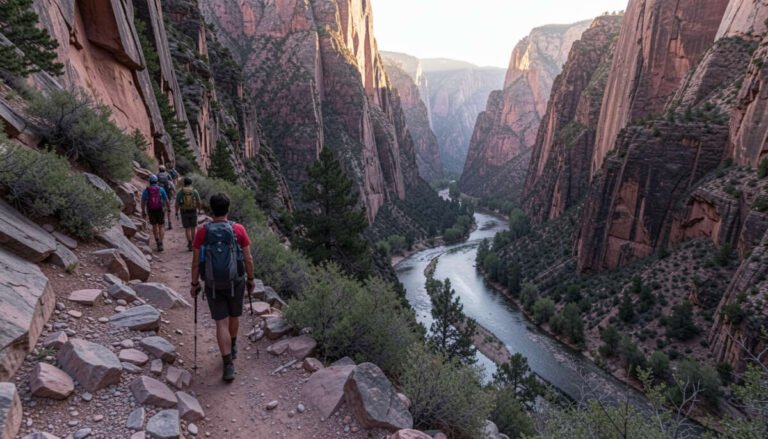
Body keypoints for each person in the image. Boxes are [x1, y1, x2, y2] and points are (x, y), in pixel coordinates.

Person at [190, 193, 255, 382]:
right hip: (236, 281)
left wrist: (194, 284)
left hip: (212, 284)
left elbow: (195, 262)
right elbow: (248, 258)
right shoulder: (238, 229)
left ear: (211, 210)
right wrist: (251, 279)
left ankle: (228, 364)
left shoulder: (203, 232)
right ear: (228, 209)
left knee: (221, 322)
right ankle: (233, 345)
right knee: (234, 316)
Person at [141, 175, 169, 252]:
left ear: (149, 181)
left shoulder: (146, 190)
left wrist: (143, 211)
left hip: (151, 210)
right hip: (160, 209)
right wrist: (168, 208)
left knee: (154, 225)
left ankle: (157, 241)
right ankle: (161, 242)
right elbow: (166, 200)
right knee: (161, 226)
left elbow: (143, 201)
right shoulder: (161, 189)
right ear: (157, 181)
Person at [175, 177, 202, 251]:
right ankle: (194, 243)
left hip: (184, 211)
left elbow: (177, 203)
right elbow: (199, 201)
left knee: (187, 228)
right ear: (191, 183)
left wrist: (176, 212)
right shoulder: (194, 191)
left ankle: (190, 243)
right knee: (193, 227)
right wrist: (199, 209)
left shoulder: (181, 192)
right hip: (193, 210)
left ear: (184, 183)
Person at [157, 165, 175, 230]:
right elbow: (172, 184)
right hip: (168, 194)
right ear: (164, 169)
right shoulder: (168, 175)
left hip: (159, 195)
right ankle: (169, 222)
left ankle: (163, 222)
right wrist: (174, 193)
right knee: (168, 208)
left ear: (159, 169)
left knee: (162, 209)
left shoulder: (157, 175)